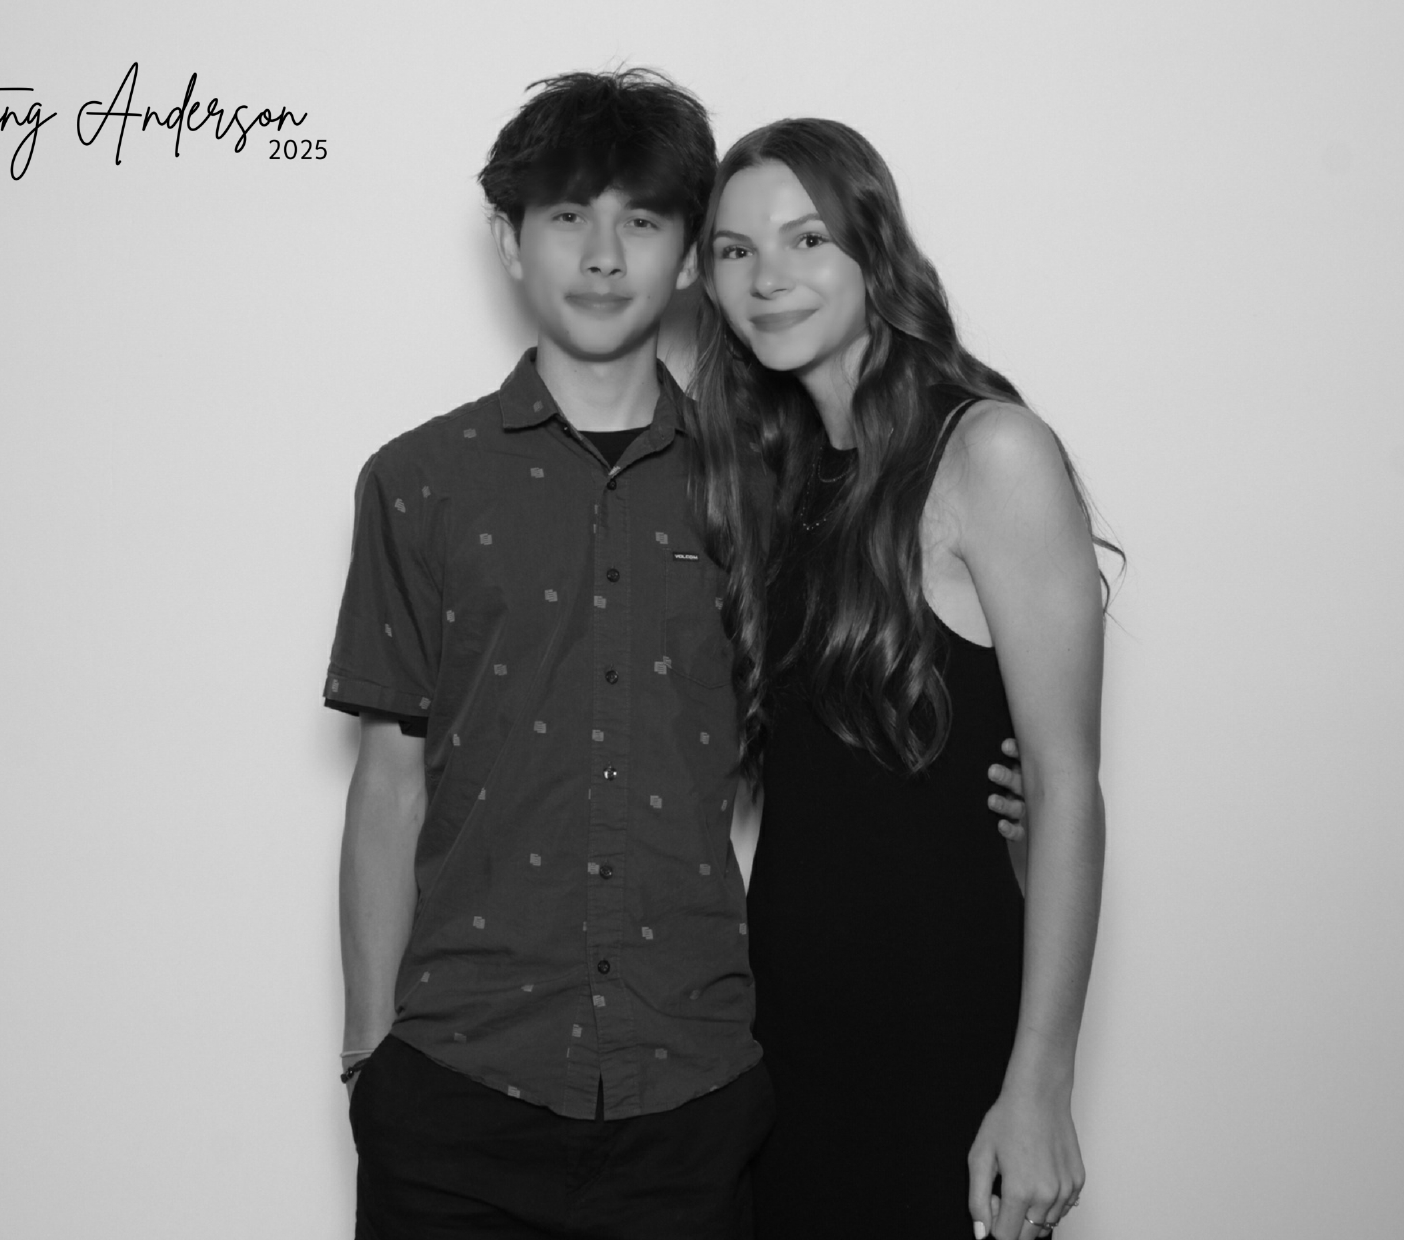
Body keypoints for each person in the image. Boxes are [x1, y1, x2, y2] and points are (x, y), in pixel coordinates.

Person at [321, 70, 776, 1238]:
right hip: (457, 1086)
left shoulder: (759, 495)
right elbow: (388, 780)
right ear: (509, 240)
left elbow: (833, 755)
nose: (603, 256)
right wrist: (369, 1056)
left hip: (692, 1088)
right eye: (568, 215)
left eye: (642, 221)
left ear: (690, 257)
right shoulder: (417, 484)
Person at [690, 119, 1112, 1240]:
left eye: (806, 238)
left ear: (874, 249)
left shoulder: (989, 454)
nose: (767, 277)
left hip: (939, 1037)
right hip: (780, 1045)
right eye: (733, 251)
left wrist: (1039, 1087)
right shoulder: (771, 479)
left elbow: (1065, 785)